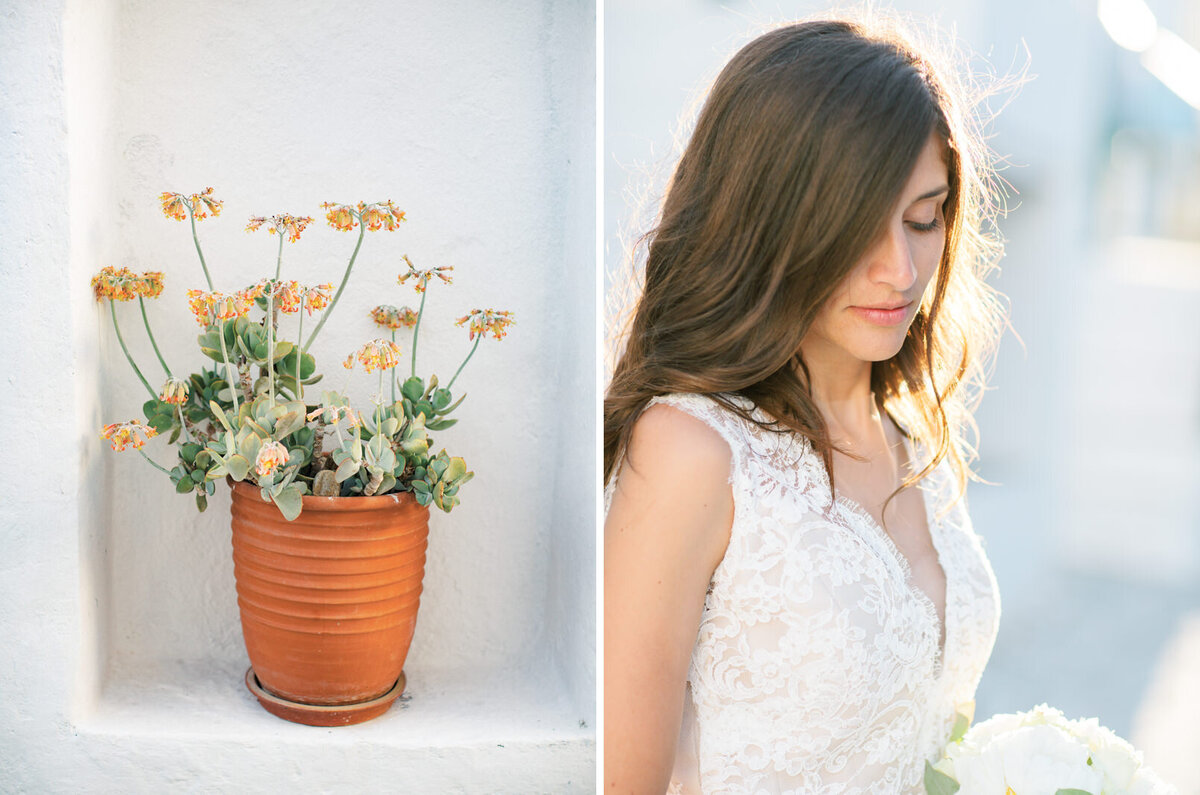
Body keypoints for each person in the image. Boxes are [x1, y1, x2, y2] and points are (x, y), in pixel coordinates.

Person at [604, 12, 1011, 794]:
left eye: (924, 218)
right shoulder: (692, 452)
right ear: (773, 220)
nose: (900, 267)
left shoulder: (915, 439)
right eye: (859, 225)